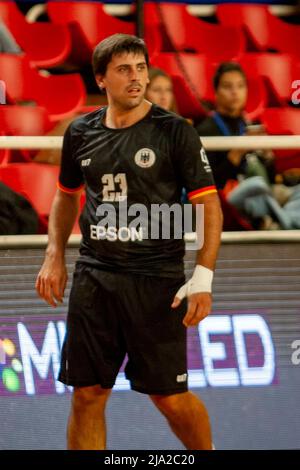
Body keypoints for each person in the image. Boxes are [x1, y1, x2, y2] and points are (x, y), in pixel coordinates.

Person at [35, 34, 223, 450]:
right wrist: (54, 256)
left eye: (140, 67)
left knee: (169, 398)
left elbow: (210, 207)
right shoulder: (81, 132)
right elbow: (66, 195)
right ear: (101, 78)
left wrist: (203, 276)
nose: (136, 77)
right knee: (87, 394)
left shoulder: (175, 132)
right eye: (124, 69)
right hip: (95, 278)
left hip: (156, 281)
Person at [196, 62, 300, 230]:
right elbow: (210, 184)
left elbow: (271, 178)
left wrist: (267, 155)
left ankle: (275, 221)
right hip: (233, 197)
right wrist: (237, 153)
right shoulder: (205, 130)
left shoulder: (249, 124)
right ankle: (284, 221)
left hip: (264, 194)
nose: (235, 92)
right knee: (256, 185)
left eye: (240, 86)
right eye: (228, 87)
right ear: (216, 92)